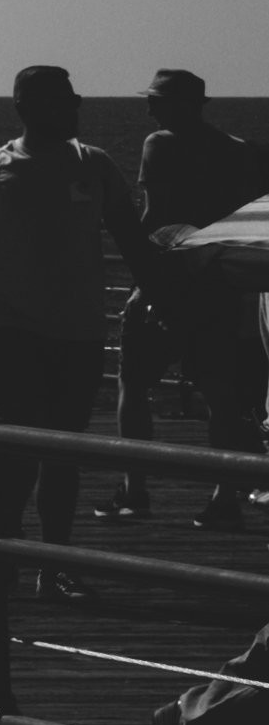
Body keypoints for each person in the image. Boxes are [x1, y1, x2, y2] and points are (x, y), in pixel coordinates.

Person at [0, 64, 135, 565]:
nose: (76, 105)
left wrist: (168, 299)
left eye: (74, 97)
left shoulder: (96, 165)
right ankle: (7, 551)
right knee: (22, 445)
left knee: (64, 453)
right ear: (25, 107)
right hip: (11, 327)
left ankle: (55, 564)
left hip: (81, 330)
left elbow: (134, 241)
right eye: (62, 99)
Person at [121, 68, 262, 525]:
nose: (150, 109)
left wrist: (141, 276)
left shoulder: (159, 144)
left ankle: (134, 489)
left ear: (182, 105)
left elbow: (154, 216)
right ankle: (224, 496)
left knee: (134, 384)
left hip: (169, 278)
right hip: (219, 283)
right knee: (221, 394)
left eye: (158, 101)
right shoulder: (239, 151)